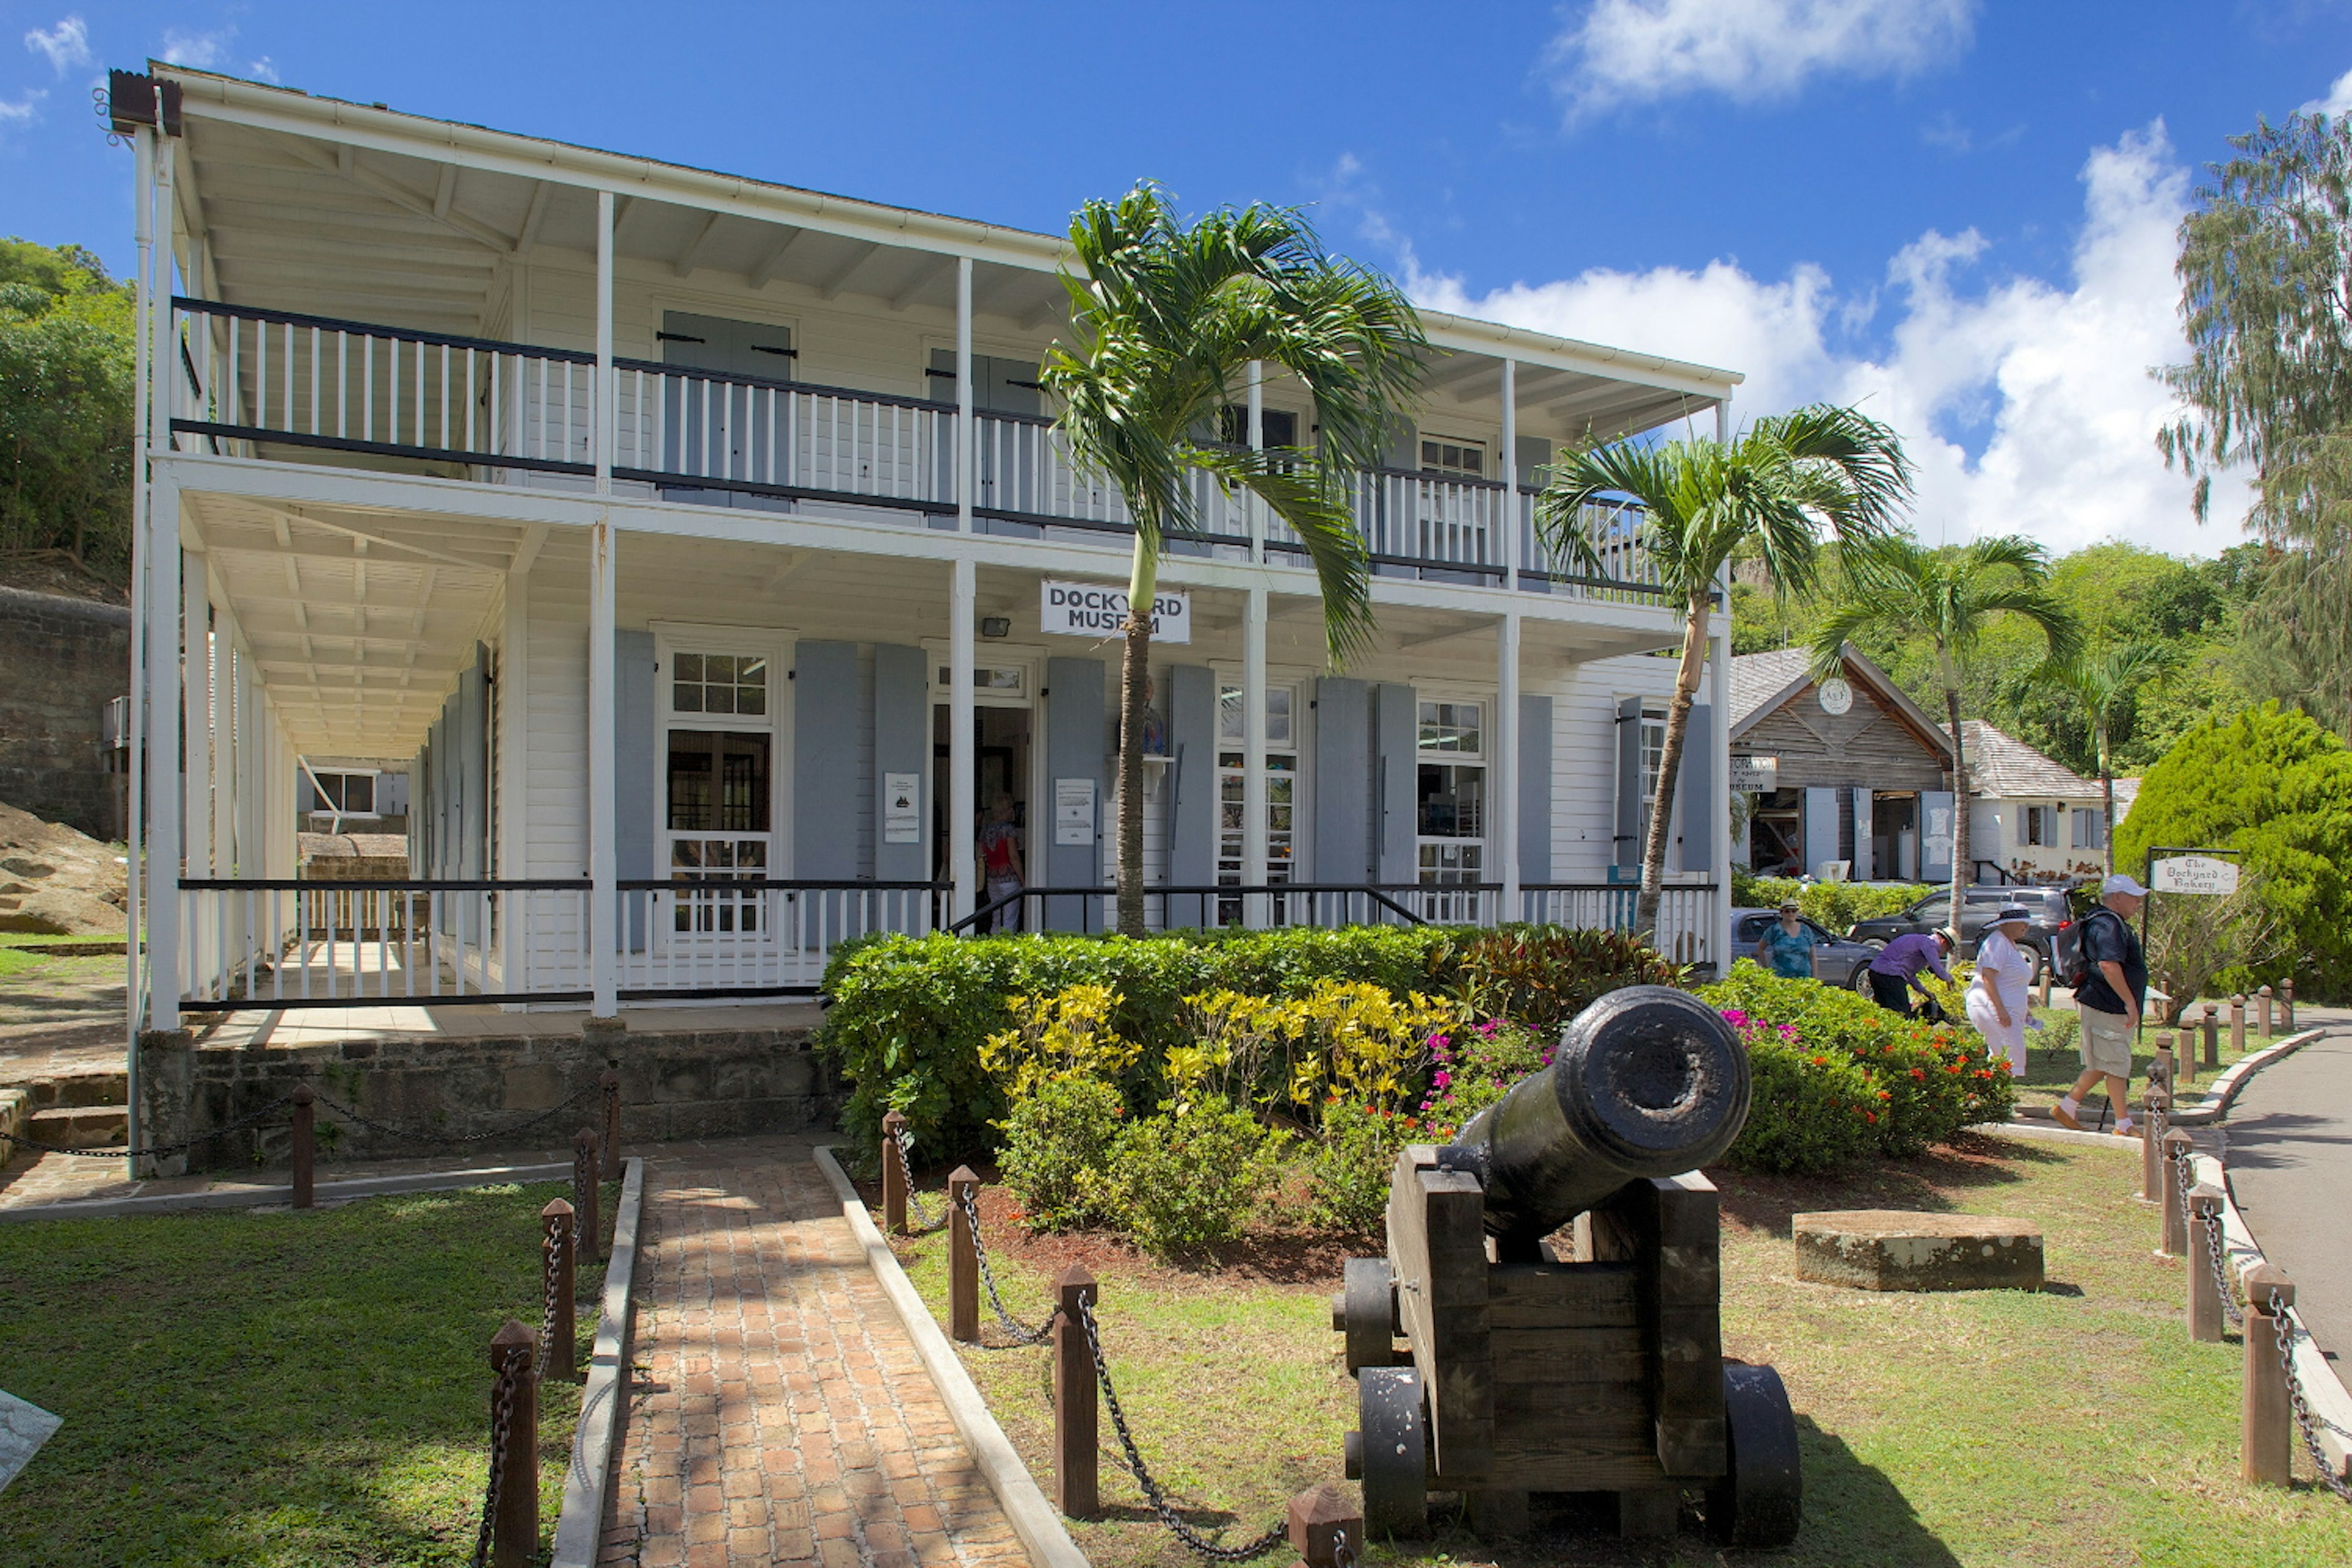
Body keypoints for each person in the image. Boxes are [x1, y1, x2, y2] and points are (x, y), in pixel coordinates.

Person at [2051, 873, 2149, 1136]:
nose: (2138, 904)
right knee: (2116, 1062)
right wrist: (2130, 1002)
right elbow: (2108, 964)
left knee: (2105, 1062)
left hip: (2104, 1002)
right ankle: (2123, 1124)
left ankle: (2069, 1106)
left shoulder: (2107, 922)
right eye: (2134, 898)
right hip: (2108, 1003)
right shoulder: (2109, 925)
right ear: (2118, 897)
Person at [1967, 903, 2038, 1078]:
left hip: (2010, 1010)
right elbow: (1988, 977)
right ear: (2006, 924)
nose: (2025, 927)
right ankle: (1996, 1098)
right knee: (2007, 1056)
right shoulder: (1997, 943)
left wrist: (2025, 1009)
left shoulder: (2009, 944)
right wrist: (2000, 1010)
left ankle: (1994, 1098)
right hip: (1993, 1008)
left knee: (2004, 1055)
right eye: (2021, 922)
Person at [1868, 927, 1954, 1018]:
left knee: (1886, 1011)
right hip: (1890, 975)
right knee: (1902, 1013)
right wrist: (1950, 979)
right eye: (1947, 950)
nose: (1944, 953)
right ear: (1943, 942)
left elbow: (1910, 975)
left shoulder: (1917, 939)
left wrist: (1925, 992)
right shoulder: (1929, 944)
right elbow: (1937, 969)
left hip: (1876, 971)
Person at [976, 793, 1025, 933]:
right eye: (1011, 808)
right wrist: (1023, 880)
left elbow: (979, 853)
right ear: (1006, 809)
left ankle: (994, 946)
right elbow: (1014, 856)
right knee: (1010, 919)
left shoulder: (986, 830)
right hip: (1009, 879)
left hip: (992, 878)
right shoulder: (1008, 830)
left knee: (997, 918)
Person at [1755, 899, 1817, 980]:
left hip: (1804, 979)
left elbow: (1812, 956)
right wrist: (1766, 969)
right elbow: (1761, 949)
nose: (1790, 914)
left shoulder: (1806, 930)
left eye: (1793, 911)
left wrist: (1815, 979)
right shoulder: (1774, 930)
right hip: (1780, 979)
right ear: (1781, 913)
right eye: (1787, 911)